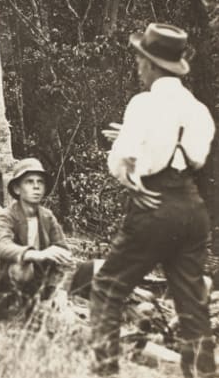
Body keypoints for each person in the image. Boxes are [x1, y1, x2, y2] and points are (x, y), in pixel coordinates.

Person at [90, 23, 217, 377]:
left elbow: (122, 161)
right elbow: (193, 159)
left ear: (151, 64)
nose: (138, 67)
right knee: (193, 308)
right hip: (192, 209)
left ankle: (105, 372)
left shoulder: (143, 104)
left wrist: (129, 171)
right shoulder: (198, 110)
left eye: (139, 60)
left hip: (153, 205)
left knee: (107, 288)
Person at [0, 158, 72, 320]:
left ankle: (42, 305)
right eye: (29, 182)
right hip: (10, 284)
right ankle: (13, 310)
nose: (36, 186)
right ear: (17, 189)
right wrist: (35, 254)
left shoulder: (47, 217)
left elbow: (64, 255)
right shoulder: (7, 216)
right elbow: (1, 245)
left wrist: (61, 290)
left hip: (42, 283)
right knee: (22, 267)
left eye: (40, 182)